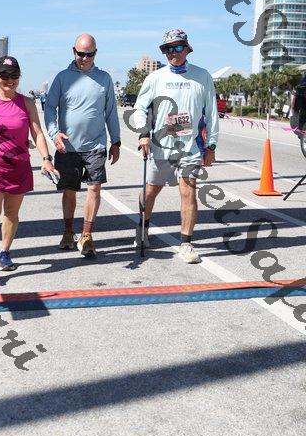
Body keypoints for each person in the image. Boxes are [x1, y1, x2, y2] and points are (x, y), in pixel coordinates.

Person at [0, 55, 59, 282]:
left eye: (14, 75)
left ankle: (4, 252)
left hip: (19, 166)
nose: (10, 80)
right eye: (5, 75)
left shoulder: (27, 103)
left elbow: (37, 133)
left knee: (11, 213)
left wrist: (46, 158)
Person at [133, 28, 219, 264]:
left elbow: (212, 113)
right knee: (150, 191)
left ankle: (186, 244)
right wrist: (143, 133)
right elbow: (139, 108)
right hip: (161, 147)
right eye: (168, 49)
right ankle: (142, 228)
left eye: (178, 47)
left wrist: (211, 145)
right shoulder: (155, 78)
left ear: (187, 49)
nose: (173, 52)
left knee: (188, 191)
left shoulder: (202, 76)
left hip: (190, 148)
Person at [45, 33, 121, 257]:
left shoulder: (104, 78)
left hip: (95, 145)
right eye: (81, 54)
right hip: (67, 147)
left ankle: (87, 235)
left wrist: (115, 141)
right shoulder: (62, 77)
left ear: (95, 53)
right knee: (69, 191)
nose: (85, 58)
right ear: (73, 51)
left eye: (89, 54)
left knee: (94, 187)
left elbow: (111, 112)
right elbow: (50, 108)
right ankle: (68, 232)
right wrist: (54, 134)